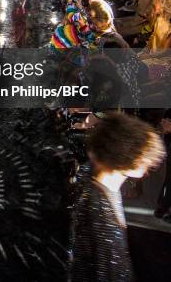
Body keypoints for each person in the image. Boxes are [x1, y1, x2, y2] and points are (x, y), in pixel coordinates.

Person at [70, 112, 164, 282]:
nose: (150, 162)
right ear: (126, 156)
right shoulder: (100, 211)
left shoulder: (94, 180)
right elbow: (108, 269)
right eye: (143, 155)